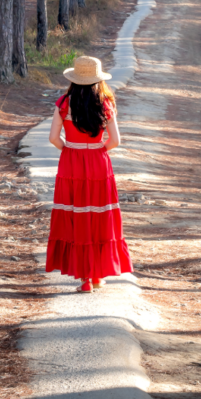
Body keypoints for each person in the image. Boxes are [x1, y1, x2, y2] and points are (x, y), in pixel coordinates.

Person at [46, 55, 133, 293]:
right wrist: (96, 151)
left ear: (74, 78)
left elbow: (53, 138)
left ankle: (84, 279)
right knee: (98, 217)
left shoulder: (64, 103)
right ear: (97, 79)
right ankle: (96, 276)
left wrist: (69, 150)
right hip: (98, 162)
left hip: (70, 162)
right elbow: (115, 140)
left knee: (76, 215)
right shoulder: (106, 104)